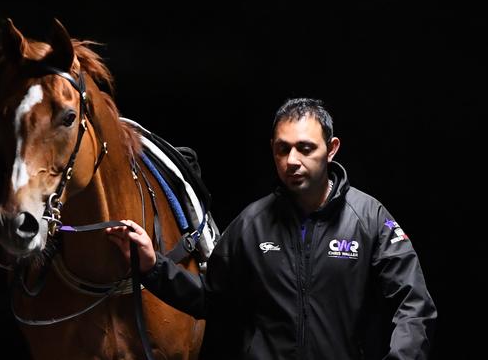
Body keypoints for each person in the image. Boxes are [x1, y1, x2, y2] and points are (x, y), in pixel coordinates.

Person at [106, 98, 437, 359]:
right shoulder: (252, 224)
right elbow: (211, 299)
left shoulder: (369, 218)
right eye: (283, 149)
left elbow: (414, 305)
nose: (293, 160)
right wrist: (153, 267)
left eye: (305, 148)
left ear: (331, 149)